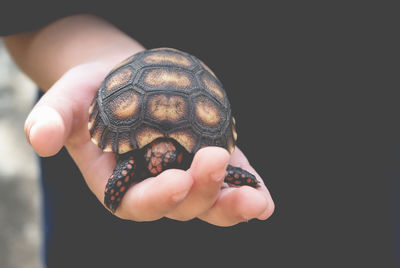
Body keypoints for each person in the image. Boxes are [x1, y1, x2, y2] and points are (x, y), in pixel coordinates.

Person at [2, 11, 274, 267]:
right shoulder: (133, 160)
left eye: (163, 157)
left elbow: (222, 167)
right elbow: (17, 19)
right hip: (94, 226)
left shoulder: (175, 156)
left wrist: (238, 175)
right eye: (157, 155)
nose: (158, 162)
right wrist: (89, 52)